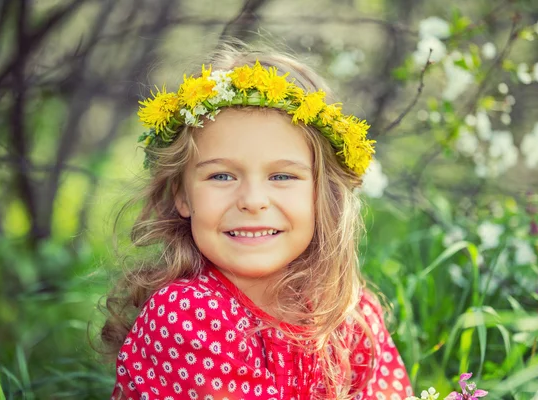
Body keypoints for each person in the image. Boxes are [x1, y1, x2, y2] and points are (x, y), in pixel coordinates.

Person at [101, 44, 413, 400]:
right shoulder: (187, 315)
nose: (252, 201)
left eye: (282, 176)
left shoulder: (349, 313)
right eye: (221, 176)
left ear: (322, 193)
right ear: (183, 195)